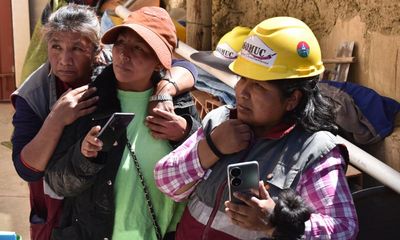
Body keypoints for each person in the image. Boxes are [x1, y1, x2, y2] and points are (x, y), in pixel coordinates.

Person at [154, 17, 359, 239]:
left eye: (258, 86)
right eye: (242, 78)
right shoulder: (220, 121)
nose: (242, 91)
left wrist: (276, 222)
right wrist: (211, 147)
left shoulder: (313, 150)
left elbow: (343, 229)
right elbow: (166, 182)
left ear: (292, 98)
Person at [11, 4, 197, 240]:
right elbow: (33, 171)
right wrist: (59, 123)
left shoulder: (173, 99)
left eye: (77, 48)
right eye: (56, 46)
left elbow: (184, 66)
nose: (65, 60)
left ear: (97, 51)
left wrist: (181, 123)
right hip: (69, 216)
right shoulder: (63, 97)